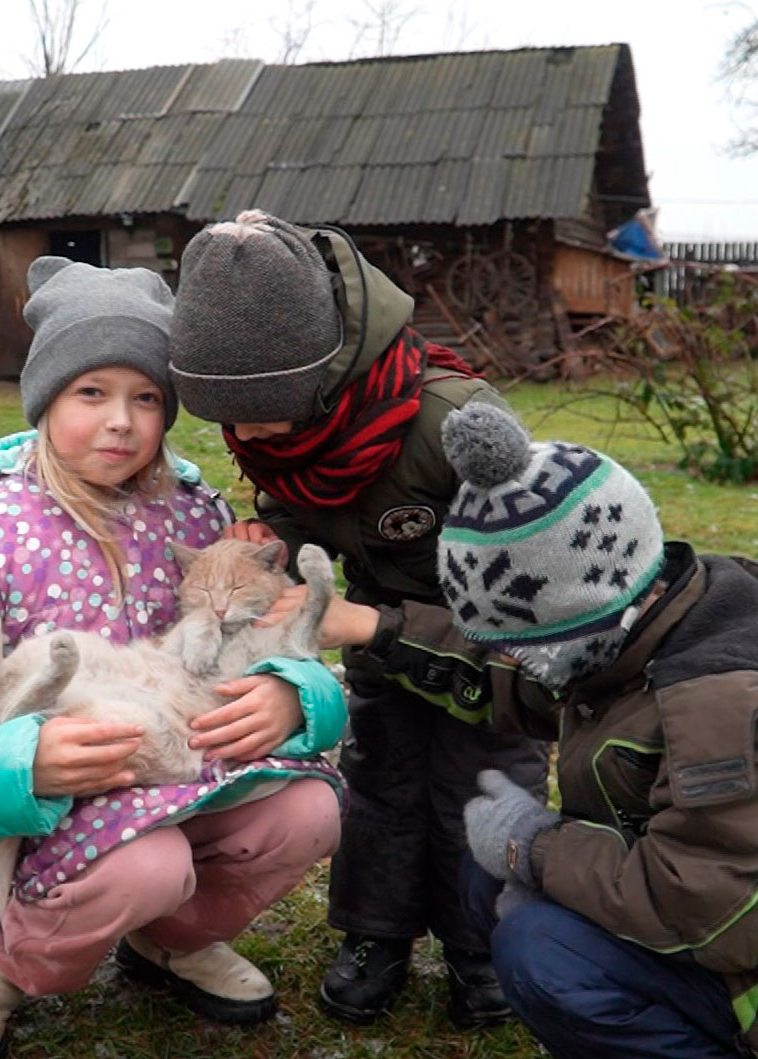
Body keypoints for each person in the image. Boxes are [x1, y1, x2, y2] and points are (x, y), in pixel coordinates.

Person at [0, 257, 346, 1059]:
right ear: (46, 397)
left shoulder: (193, 516)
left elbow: (248, 643)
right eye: (91, 392)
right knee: (146, 865)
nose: (121, 421)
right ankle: (6, 962)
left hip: (178, 769)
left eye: (146, 396)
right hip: (49, 808)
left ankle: (171, 940)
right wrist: (23, 762)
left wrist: (295, 696)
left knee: (310, 811)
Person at [314, 401, 758, 1059]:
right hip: (690, 907)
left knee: (539, 950)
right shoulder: (637, 622)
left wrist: (533, 843)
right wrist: (376, 629)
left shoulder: (722, 715)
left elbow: (703, 909)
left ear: (580, 616)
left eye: (521, 643)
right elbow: (511, 674)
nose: (511, 660)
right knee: (486, 874)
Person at [165, 210, 548, 1027]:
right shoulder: (286, 431)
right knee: (382, 781)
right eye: (226, 417)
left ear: (323, 373)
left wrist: (372, 623)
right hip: (379, 645)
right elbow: (313, 509)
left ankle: (482, 946)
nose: (247, 434)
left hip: (491, 660)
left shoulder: (455, 425)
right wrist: (278, 537)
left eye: (266, 408)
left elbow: (537, 601)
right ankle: (376, 934)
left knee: (483, 787)